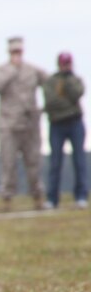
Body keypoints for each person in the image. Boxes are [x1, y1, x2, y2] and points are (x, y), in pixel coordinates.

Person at [0, 36, 48, 210]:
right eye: (13, 51)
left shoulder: (32, 70)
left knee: (34, 162)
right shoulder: (1, 70)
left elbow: (50, 84)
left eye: (19, 51)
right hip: (8, 124)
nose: (17, 54)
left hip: (30, 123)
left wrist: (44, 108)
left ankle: (37, 197)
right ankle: (7, 200)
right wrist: (12, 71)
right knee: (8, 163)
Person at [43, 51, 87, 209]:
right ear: (59, 64)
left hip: (75, 122)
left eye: (68, 63)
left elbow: (77, 94)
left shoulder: (75, 80)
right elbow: (51, 102)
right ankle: (52, 199)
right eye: (64, 63)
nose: (66, 66)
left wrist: (68, 81)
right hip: (56, 124)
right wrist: (67, 103)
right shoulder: (50, 81)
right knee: (55, 162)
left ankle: (81, 196)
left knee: (79, 160)